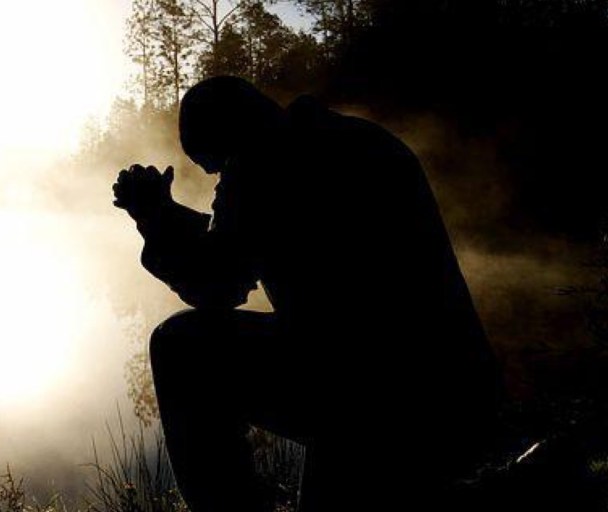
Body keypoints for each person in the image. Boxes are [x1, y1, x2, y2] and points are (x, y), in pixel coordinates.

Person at [112, 76, 502, 511]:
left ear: (230, 134)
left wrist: (153, 219)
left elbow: (217, 283)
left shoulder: (261, 164)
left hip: (369, 393)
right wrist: (168, 215)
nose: (219, 179)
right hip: (454, 388)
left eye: (218, 166)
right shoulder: (356, 139)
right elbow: (246, 235)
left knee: (179, 347)